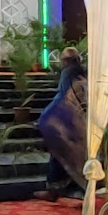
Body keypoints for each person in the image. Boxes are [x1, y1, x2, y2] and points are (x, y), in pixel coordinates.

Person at [35, 47, 86, 200]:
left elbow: (64, 96)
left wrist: (46, 117)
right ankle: (75, 189)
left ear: (65, 61)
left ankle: (54, 189)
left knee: (59, 153)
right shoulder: (83, 72)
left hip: (67, 119)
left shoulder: (68, 73)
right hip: (80, 119)